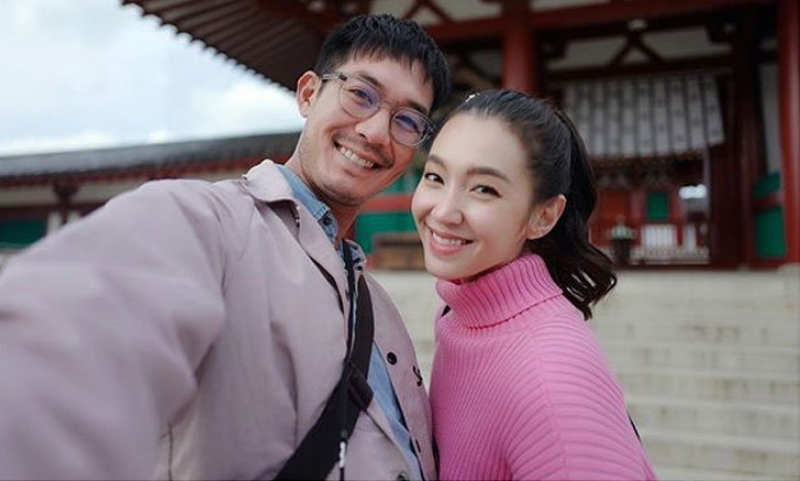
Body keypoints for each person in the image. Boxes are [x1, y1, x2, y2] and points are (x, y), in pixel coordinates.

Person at [0, 14, 450, 481]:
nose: (376, 132)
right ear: (308, 94)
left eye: (407, 120)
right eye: (361, 94)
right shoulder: (205, 221)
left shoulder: (379, 306)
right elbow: (67, 338)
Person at [411, 90, 657, 480]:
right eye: (435, 177)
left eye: (484, 189)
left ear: (543, 216)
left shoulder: (552, 375)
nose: (443, 211)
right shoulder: (458, 316)